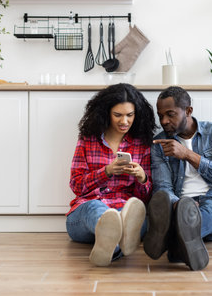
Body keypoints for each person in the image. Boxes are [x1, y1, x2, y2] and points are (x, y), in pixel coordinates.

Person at [144, 86, 212, 271]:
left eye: (170, 114)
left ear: (188, 111)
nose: (164, 121)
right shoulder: (159, 144)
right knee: (169, 204)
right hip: (178, 205)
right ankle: (182, 238)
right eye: (160, 115)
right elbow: (162, 187)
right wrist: (178, 204)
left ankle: (172, 238)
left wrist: (188, 155)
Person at [66, 83, 157, 267]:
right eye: (118, 115)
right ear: (106, 113)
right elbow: (76, 186)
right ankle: (118, 239)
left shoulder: (142, 145)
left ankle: (111, 245)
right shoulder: (88, 140)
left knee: (134, 213)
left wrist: (142, 178)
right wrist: (106, 172)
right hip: (86, 213)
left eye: (130, 115)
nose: (124, 121)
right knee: (98, 210)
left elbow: (144, 198)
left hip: (125, 208)